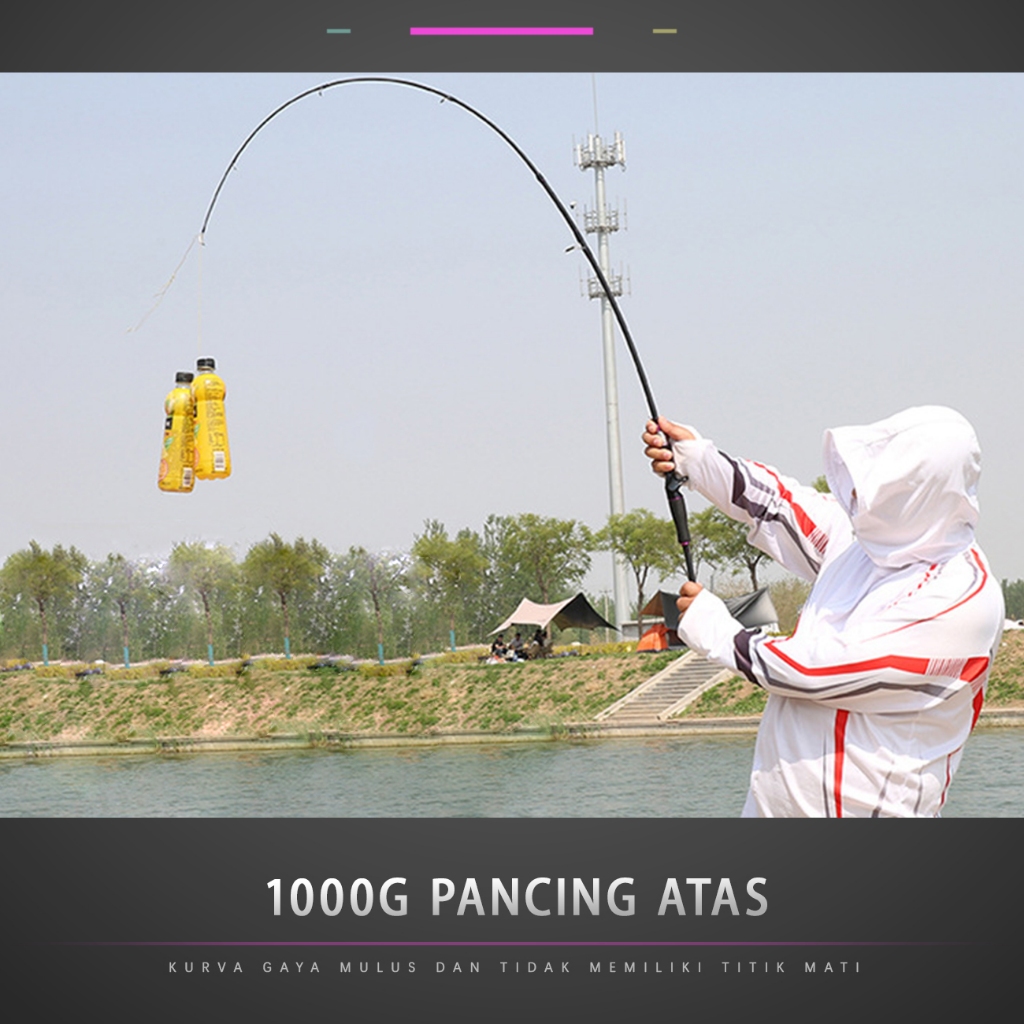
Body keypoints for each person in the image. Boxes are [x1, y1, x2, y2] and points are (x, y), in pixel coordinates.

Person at [642, 406, 1004, 818]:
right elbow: (777, 503)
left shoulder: (964, 600)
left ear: (918, 497)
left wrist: (717, 630)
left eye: (878, 488)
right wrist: (698, 460)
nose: (858, 498)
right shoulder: (865, 538)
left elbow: (811, 670)